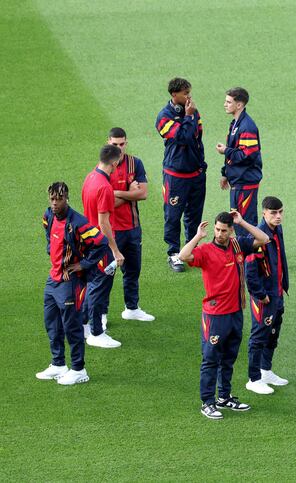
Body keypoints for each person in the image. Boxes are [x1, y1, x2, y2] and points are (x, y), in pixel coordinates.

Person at [178, 210, 269, 419]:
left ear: (231, 230)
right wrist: (198, 236)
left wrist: (242, 221)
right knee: (210, 360)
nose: (219, 234)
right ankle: (207, 402)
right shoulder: (206, 250)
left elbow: (263, 238)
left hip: (236, 313)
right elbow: (183, 256)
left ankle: (224, 397)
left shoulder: (238, 245)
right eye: (217, 230)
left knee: (229, 358)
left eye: (224, 230)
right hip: (215, 315)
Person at [37, 182, 108, 385]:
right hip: (54, 279)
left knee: (72, 327)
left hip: (71, 283)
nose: (54, 203)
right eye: (52, 199)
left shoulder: (79, 223)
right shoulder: (47, 216)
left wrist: (81, 266)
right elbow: (49, 237)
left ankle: (78, 369)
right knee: (52, 323)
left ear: (67, 198)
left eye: (59, 199)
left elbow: (101, 243)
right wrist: (51, 251)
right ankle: (58, 364)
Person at [155, 77, 206, 272]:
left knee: (194, 214)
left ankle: (190, 249)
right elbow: (183, 138)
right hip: (175, 176)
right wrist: (189, 116)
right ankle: (174, 253)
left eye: (189, 92)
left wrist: (201, 164)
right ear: (174, 95)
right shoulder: (163, 117)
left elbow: (197, 138)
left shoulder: (193, 111)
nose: (189, 96)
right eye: (185, 93)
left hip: (196, 173)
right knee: (173, 215)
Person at [106, 128, 155, 322]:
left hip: (133, 228)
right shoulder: (104, 167)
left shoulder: (136, 163)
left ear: (126, 142)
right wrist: (128, 191)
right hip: (111, 230)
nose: (119, 148)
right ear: (108, 142)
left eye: (122, 144)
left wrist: (117, 193)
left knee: (133, 270)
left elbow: (142, 194)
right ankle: (101, 315)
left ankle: (132, 308)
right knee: (106, 274)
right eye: (115, 144)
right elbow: (106, 204)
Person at [245, 197, 289, 395]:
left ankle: (265, 370)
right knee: (259, 335)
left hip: (277, 293)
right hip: (265, 298)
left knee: (272, 334)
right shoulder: (257, 236)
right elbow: (250, 272)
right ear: (264, 213)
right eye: (273, 213)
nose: (278, 216)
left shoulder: (276, 230)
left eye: (280, 212)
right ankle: (253, 379)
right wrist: (260, 295)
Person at [81, 144, 123, 348]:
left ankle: (84, 326)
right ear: (114, 163)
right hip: (101, 247)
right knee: (99, 288)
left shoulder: (90, 177)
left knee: (90, 286)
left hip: (87, 243)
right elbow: (103, 223)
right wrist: (115, 251)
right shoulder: (105, 187)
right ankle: (97, 333)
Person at [216, 87, 263, 236]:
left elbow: (247, 155)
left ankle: (251, 258)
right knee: (237, 223)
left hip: (245, 183)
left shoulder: (247, 126)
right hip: (238, 182)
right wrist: (225, 174)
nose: (225, 104)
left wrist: (226, 151)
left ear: (239, 105)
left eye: (228, 102)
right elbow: (234, 152)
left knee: (246, 224)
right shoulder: (235, 124)